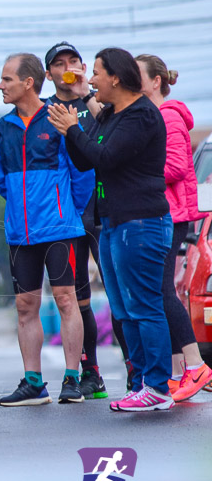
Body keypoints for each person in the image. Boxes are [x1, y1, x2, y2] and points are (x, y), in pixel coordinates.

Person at [49, 47, 174, 411]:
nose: (90, 80)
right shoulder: (110, 116)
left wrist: (75, 128)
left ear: (115, 77)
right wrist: (69, 130)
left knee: (145, 306)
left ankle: (157, 386)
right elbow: (86, 161)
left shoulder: (141, 116)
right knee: (123, 310)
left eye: (97, 73)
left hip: (141, 222)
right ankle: (138, 384)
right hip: (112, 223)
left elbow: (107, 157)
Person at [0, 53, 93, 407]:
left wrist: (68, 211)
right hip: (20, 233)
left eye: (7, 79)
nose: (0, 85)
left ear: (28, 83)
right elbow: (3, 182)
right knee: (25, 306)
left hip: (60, 228)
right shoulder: (2, 128)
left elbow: (82, 173)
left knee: (66, 300)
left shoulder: (58, 117)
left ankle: (72, 378)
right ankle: (33, 382)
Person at [44, 42, 120, 399]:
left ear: (84, 65)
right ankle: (91, 374)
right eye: (59, 64)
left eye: (73, 61)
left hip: (103, 212)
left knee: (121, 294)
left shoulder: (99, 104)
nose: (67, 68)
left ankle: (139, 373)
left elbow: (114, 136)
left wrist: (85, 93)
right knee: (78, 300)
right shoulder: (45, 111)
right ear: (48, 75)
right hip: (67, 218)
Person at [135, 54, 211, 401]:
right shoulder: (151, 117)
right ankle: (180, 371)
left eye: (138, 76)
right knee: (160, 290)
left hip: (173, 214)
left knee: (163, 291)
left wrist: (134, 173)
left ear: (156, 81)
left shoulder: (168, 117)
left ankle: (195, 365)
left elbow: (178, 167)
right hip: (161, 213)